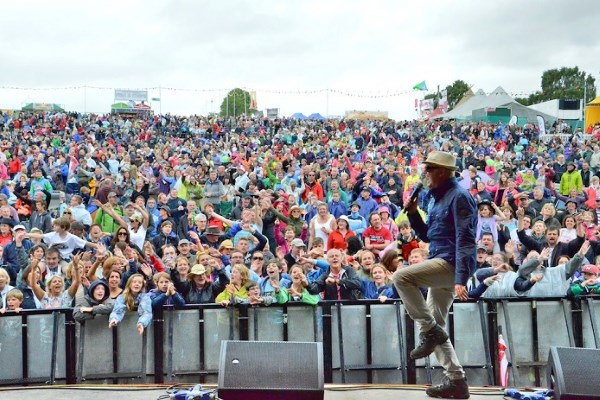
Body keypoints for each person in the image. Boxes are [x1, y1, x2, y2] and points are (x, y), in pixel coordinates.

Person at [392, 151, 475, 399]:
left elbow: (466, 238)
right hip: (440, 258)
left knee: (400, 277)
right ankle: (457, 381)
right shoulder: (436, 198)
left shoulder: (459, 196)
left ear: (440, 171)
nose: (424, 175)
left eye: (428, 170)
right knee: (434, 324)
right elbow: (429, 236)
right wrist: (414, 213)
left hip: (450, 263)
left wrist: (460, 278)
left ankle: (430, 331)